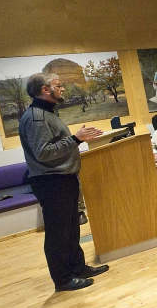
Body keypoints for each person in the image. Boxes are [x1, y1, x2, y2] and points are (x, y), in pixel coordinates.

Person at [18, 73, 108, 292]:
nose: (63, 89)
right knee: (58, 233)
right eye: (58, 86)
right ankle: (63, 279)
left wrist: (77, 139)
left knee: (70, 229)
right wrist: (76, 139)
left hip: (62, 179)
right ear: (45, 90)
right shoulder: (37, 118)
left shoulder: (46, 113)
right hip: (51, 183)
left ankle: (77, 269)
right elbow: (43, 153)